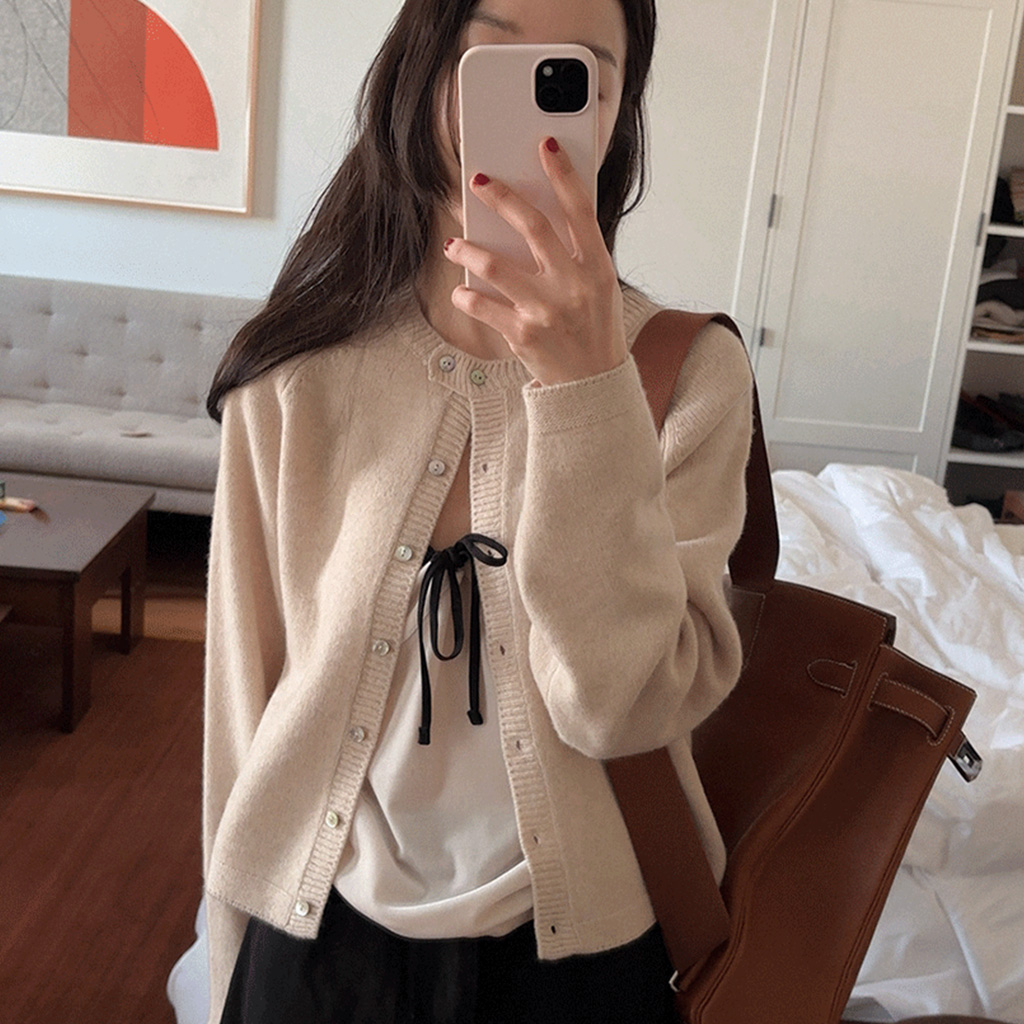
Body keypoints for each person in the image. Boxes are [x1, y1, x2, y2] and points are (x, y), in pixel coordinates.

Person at [201, 0, 754, 1021]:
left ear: (617, 112)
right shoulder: (294, 373)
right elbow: (245, 704)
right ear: (423, 70)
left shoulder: (691, 374)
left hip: (580, 955)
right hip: (318, 941)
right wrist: (226, 949)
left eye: (578, 75)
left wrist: (587, 390)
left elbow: (620, 708)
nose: (534, 106)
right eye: (492, 57)